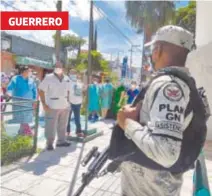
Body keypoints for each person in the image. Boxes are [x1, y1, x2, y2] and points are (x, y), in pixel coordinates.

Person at [117, 25, 197, 196]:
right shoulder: (176, 82)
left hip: (149, 189)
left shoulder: (169, 86)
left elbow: (166, 152)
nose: (151, 55)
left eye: (152, 49)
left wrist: (127, 123)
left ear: (158, 50)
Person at [38, 62, 71, 150]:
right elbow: (41, 90)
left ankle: (61, 141)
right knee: (50, 125)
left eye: (60, 66)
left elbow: (68, 90)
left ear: (62, 67)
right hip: (52, 105)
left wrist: (68, 101)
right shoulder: (48, 77)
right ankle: (49, 143)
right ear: (54, 68)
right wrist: (44, 104)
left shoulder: (67, 78)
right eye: (56, 66)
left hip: (64, 105)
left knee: (63, 125)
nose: (58, 68)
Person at [7, 66, 37, 136]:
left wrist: (35, 100)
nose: (29, 73)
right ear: (23, 72)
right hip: (18, 102)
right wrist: (9, 93)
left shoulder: (31, 80)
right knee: (21, 118)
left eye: (29, 71)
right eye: (28, 71)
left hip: (28, 103)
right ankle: (28, 132)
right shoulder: (15, 78)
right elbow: (10, 87)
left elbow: (34, 90)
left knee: (26, 118)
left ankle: (22, 132)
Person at [68, 73, 85, 137]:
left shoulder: (78, 83)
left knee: (74, 118)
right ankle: (70, 131)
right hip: (73, 103)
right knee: (71, 118)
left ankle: (76, 131)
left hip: (75, 103)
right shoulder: (70, 83)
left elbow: (81, 93)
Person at [66, 69, 78, 134]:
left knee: (77, 117)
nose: (73, 74)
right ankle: (67, 131)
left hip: (76, 102)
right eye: (71, 73)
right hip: (68, 102)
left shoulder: (77, 81)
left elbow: (78, 92)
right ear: (69, 73)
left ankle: (77, 131)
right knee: (68, 117)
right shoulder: (67, 80)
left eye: (74, 73)